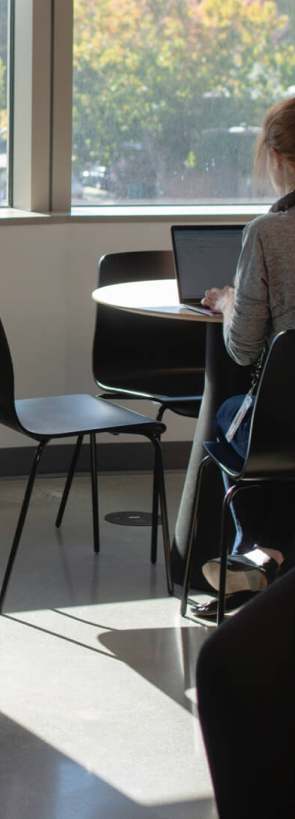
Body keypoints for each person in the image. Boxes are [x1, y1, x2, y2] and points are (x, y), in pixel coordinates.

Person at [200, 95, 295, 609]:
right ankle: (270, 559)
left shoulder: (268, 232)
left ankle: (258, 555)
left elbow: (241, 350)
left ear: (277, 159)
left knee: (233, 418)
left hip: (284, 424)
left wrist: (232, 302)